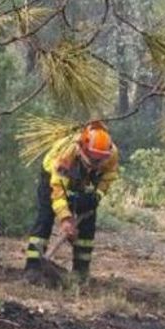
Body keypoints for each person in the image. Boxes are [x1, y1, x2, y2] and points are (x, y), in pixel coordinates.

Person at [24, 121, 119, 283]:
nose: (96, 164)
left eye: (100, 160)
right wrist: (66, 219)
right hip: (53, 176)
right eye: (92, 159)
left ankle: (81, 270)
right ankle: (33, 266)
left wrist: (96, 196)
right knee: (45, 217)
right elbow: (58, 192)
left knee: (88, 219)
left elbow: (108, 177)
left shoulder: (111, 154)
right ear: (81, 149)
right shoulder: (65, 155)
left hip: (86, 180)